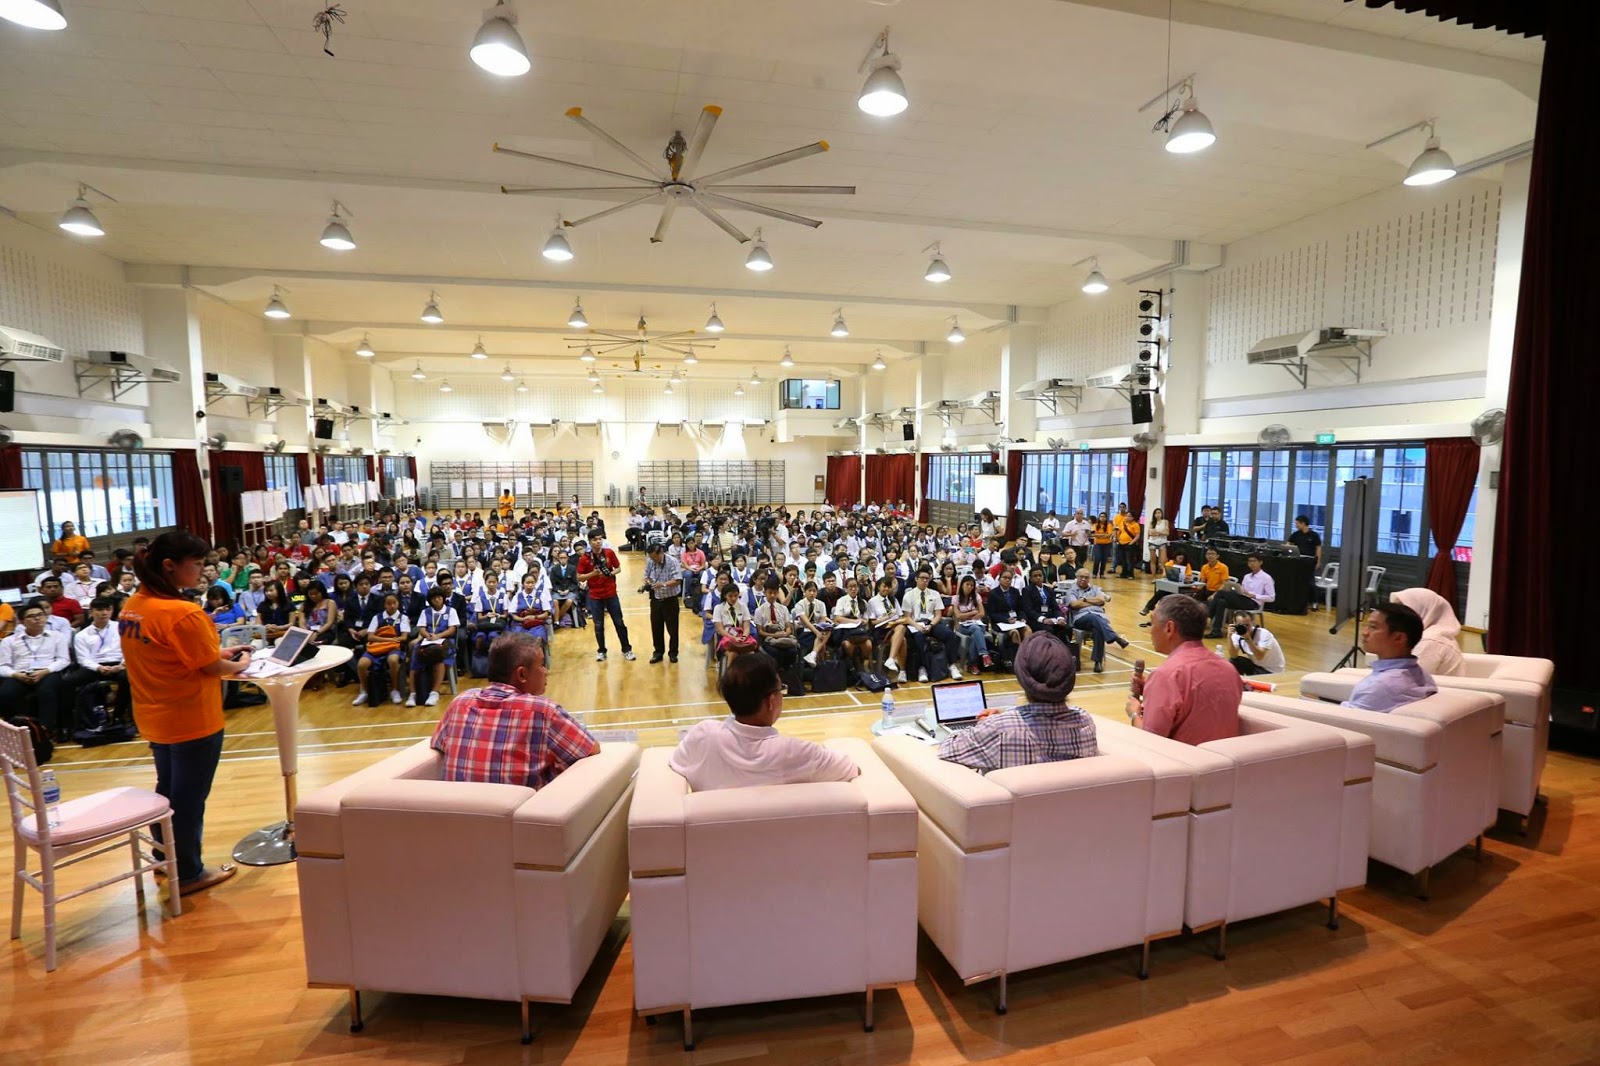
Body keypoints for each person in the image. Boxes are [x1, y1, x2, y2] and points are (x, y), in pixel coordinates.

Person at [119, 530, 253, 895]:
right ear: (169, 565)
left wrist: (217, 655)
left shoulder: (133, 605)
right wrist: (238, 665)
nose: (203, 571)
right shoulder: (182, 612)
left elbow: (172, 654)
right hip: (192, 719)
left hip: (154, 715)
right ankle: (190, 873)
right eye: (196, 564)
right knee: (189, 800)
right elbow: (210, 668)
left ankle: (166, 860)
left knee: (167, 792)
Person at [667, 652, 859, 791]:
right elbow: (852, 769)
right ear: (771, 701)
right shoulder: (796, 752)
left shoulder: (703, 734)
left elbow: (676, 763)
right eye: (781, 689)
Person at [430, 634, 599, 788]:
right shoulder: (543, 711)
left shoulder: (460, 703)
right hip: (527, 810)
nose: (546, 671)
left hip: (458, 809)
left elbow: (439, 744)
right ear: (522, 674)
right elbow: (590, 750)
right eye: (542, 665)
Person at [939, 633, 1098, 772]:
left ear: (1022, 678)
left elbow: (947, 750)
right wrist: (1005, 716)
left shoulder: (999, 729)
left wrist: (985, 725)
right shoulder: (1084, 721)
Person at [1126, 594, 1240, 745]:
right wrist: (1151, 690)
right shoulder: (1229, 669)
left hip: (1184, 758)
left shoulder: (1167, 676)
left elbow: (1151, 742)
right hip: (1227, 757)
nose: (1150, 631)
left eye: (1152, 623)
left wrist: (1134, 714)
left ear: (1169, 628)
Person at [1342, 602, 1438, 712]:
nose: (1365, 632)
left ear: (1398, 638)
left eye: (1373, 627)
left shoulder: (1380, 686)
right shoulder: (1422, 675)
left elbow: (1346, 718)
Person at [0, 602, 71, 737]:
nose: (37, 618)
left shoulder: (57, 636)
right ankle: (18, 728)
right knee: (5, 694)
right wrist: (16, 675)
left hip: (47, 671)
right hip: (20, 674)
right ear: (22, 622)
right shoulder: (9, 641)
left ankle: (44, 730)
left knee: (46, 691)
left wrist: (45, 671)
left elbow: (64, 660)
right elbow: (2, 666)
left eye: (40, 615)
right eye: (32, 616)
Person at [68, 595, 131, 721]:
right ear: (91, 612)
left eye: (108, 609)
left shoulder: (121, 627)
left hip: (119, 663)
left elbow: (129, 650)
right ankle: (75, 720)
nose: (104, 613)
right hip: (95, 665)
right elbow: (83, 659)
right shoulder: (82, 635)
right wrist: (99, 668)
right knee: (68, 681)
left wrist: (122, 665)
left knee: (127, 677)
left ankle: (119, 714)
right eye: (100, 610)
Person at [576, 532, 634, 663]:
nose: (598, 542)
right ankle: (601, 651)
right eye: (595, 540)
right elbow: (579, 577)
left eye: (600, 539)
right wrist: (593, 574)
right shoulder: (585, 558)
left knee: (619, 623)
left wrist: (610, 574)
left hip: (611, 593)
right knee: (598, 625)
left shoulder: (609, 553)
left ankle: (626, 649)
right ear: (590, 542)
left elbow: (618, 568)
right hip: (595, 596)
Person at [900, 567, 962, 682]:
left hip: (931, 623)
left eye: (927, 579)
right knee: (919, 637)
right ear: (916, 579)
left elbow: (938, 615)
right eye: (922, 578)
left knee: (949, 634)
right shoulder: (909, 595)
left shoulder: (935, 594)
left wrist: (931, 625)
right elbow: (907, 617)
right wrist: (917, 626)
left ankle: (952, 664)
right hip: (915, 624)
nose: (925, 581)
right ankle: (922, 668)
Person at [1064, 568, 1129, 672]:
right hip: (1081, 619)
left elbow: (1101, 600)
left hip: (1099, 617)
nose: (1083, 579)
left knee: (1098, 629)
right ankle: (1115, 638)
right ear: (1077, 577)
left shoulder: (1095, 589)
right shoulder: (1072, 591)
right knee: (1094, 617)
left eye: (1086, 577)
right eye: (1081, 577)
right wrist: (1093, 602)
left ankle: (1097, 662)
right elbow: (1074, 604)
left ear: (1089, 579)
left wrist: (1085, 600)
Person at [1390, 587, 1465, 677]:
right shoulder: (1428, 636)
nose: (1395, 617)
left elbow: (1410, 679)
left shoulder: (1430, 641)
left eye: (1402, 611)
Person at [407, 586, 458, 708]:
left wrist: (438, 636)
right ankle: (412, 694)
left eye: (439, 597)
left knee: (439, 657)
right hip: (427, 641)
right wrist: (428, 636)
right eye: (434, 598)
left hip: (445, 641)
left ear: (443, 598)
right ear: (430, 600)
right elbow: (421, 628)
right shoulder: (425, 612)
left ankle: (434, 692)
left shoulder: (451, 611)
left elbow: (452, 629)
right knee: (415, 653)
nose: (437, 600)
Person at [354, 592, 408, 706]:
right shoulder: (377, 617)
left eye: (394, 603)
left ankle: (394, 690)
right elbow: (370, 637)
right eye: (388, 603)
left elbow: (404, 637)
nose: (392, 606)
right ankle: (365, 691)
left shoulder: (403, 618)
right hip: (376, 648)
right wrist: (390, 640)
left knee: (393, 660)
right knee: (362, 664)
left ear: (398, 603)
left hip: (394, 648)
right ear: (384, 605)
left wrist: (387, 641)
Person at [1205, 553, 1276, 637]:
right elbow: (1242, 590)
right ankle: (1216, 631)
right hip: (1243, 599)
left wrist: (1254, 595)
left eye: (1254, 561)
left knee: (1220, 593)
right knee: (1221, 602)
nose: (1252, 563)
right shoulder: (1247, 576)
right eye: (1250, 561)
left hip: (1254, 602)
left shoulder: (1266, 578)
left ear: (1260, 562)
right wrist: (1239, 590)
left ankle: (1208, 617)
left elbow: (1271, 597)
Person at [643, 542, 683, 664]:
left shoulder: (672, 561)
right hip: (656, 599)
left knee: (673, 629)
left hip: (670, 599)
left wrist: (663, 584)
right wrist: (648, 582)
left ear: (661, 553)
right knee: (656, 627)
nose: (653, 560)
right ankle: (658, 653)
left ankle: (673, 653)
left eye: (655, 558)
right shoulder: (650, 561)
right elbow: (646, 576)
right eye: (651, 558)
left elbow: (677, 580)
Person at [985, 567, 1030, 664]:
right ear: (999, 579)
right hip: (1001, 622)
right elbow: (991, 613)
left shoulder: (1015, 592)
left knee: (1027, 629)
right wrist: (1006, 619)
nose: (1007, 580)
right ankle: (1018, 660)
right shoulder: (993, 593)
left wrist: (1023, 618)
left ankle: (1028, 656)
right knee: (1014, 633)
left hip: (1016, 621)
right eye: (1005, 578)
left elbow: (1021, 609)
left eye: (1009, 578)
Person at [753, 578, 799, 672]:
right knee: (775, 652)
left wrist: (785, 633)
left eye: (775, 593)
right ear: (765, 592)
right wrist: (774, 635)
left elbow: (788, 627)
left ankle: (787, 673)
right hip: (768, 639)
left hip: (783, 636)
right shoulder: (759, 610)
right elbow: (760, 631)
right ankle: (775, 673)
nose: (772, 595)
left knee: (792, 651)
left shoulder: (783, 608)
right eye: (770, 593)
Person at [1226, 611, 1285, 676]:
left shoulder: (1263, 634)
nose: (1245, 628)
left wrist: (1248, 639)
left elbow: (1259, 656)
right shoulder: (1237, 634)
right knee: (1233, 661)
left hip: (1271, 671)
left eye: (1247, 625)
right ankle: (1238, 681)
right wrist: (1229, 637)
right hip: (1256, 666)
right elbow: (1233, 655)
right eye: (1241, 625)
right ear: (1235, 624)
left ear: (1252, 622)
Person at [1113, 504, 1141, 579]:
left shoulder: (1135, 525)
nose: (1127, 517)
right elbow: (1118, 531)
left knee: (1129, 560)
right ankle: (1123, 574)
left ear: (1133, 517)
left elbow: (1137, 535)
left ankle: (1130, 574)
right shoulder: (1123, 523)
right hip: (1121, 543)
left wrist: (1131, 543)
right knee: (1123, 560)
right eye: (1127, 516)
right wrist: (1117, 539)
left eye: (1129, 516)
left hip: (1129, 544)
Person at [1146, 508, 1170, 573]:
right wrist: (1160, 533)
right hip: (1152, 542)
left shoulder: (1165, 522)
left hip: (1162, 542)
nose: (1157, 514)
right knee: (1153, 560)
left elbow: (1167, 533)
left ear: (1161, 514)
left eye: (1159, 513)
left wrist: (1158, 532)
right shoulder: (1152, 522)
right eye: (1156, 513)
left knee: (1163, 560)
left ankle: (1163, 574)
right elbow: (1150, 533)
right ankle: (1153, 576)